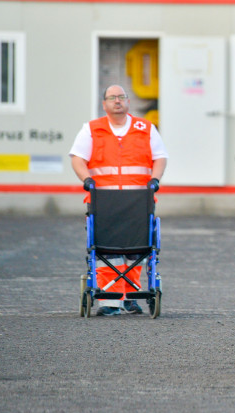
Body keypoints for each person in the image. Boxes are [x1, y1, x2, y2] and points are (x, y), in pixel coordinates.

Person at [69, 84, 168, 316]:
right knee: (107, 252)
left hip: (138, 202)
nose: (117, 101)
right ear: (104, 104)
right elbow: (77, 159)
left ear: (128, 103)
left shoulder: (146, 129)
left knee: (135, 251)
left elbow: (160, 158)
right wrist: (87, 180)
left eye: (121, 97)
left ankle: (129, 295)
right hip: (104, 202)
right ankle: (109, 299)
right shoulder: (91, 129)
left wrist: (155, 180)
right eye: (112, 97)